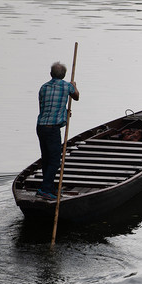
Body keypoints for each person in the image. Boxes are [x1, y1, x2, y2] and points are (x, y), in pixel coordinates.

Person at [36, 61, 80, 200]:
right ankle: (45, 189)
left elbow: (44, 107)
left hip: (41, 126)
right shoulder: (67, 86)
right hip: (53, 129)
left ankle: (49, 188)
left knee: (46, 158)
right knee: (55, 160)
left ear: (50, 74)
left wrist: (65, 112)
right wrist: (74, 86)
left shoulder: (43, 87)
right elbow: (77, 96)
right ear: (65, 75)